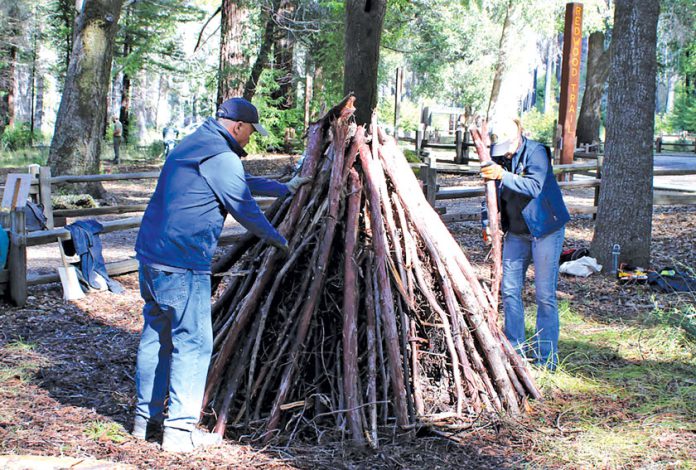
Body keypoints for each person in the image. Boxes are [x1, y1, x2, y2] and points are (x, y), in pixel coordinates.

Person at [131, 97, 311, 452]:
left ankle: (144, 421)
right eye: (249, 132)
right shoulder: (222, 155)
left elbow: (238, 181)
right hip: (182, 262)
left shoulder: (196, 143)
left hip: (152, 259)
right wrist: (278, 240)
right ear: (238, 126)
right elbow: (242, 206)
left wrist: (282, 188)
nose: (250, 139)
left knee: (156, 338)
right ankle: (179, 433)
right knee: (194, 343)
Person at [480, 116, 570, 371]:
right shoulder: (499, 158)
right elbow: (491, 193)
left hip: (545, 230)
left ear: (518, 132)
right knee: (509, 291)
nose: (503, 152)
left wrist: (503, 175)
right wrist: (488, 221)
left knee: (544, 295)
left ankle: (546, 358)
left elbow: (533, 186)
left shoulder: (537, 152)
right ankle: (515, 350)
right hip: (517, 232)